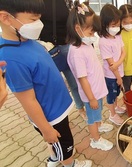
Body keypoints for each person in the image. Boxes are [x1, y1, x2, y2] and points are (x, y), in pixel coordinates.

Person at [0, 0, 92, 166]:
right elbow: (28, 100)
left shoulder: (25, 38)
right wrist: (46, 130)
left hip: (56, 108)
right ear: (6, 18)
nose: (39, 24)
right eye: (33, 19)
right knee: (63, 142)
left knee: (59, 143)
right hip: (50, 118)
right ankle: (69, 163)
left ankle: (56, 156)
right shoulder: (10, 58)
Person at [66, 1, 114, 151]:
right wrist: (91, 98)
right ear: (77, 29)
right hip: (90, 93)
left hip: (96, 90)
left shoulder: (85, 44)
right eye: (90, 32)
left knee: (97, 112)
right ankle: (95, 139)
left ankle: (99, 126)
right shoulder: (76, 52)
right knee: (92, 118)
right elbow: (82, 78)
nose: (92, 35)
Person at [39, 0, 87, 120]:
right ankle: (54, 115)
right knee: (52, 85)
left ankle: (80, 108)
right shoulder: (41, 3)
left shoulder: (68, 2)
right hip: (48, 48)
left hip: (66, 46)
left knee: (74, 82)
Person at [98, 4, 126, 126]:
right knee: (111, 94)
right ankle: (112, 114)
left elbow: (124, 52)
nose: (116, 28)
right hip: (111, 76)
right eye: (113, 25)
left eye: (118, 25)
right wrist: (118, 77)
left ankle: (116, 107)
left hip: (118, 71)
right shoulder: (103, 41)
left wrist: (117, 64)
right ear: (105, 24)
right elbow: (111, 64)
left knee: (116, 93)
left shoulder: (118, 36)